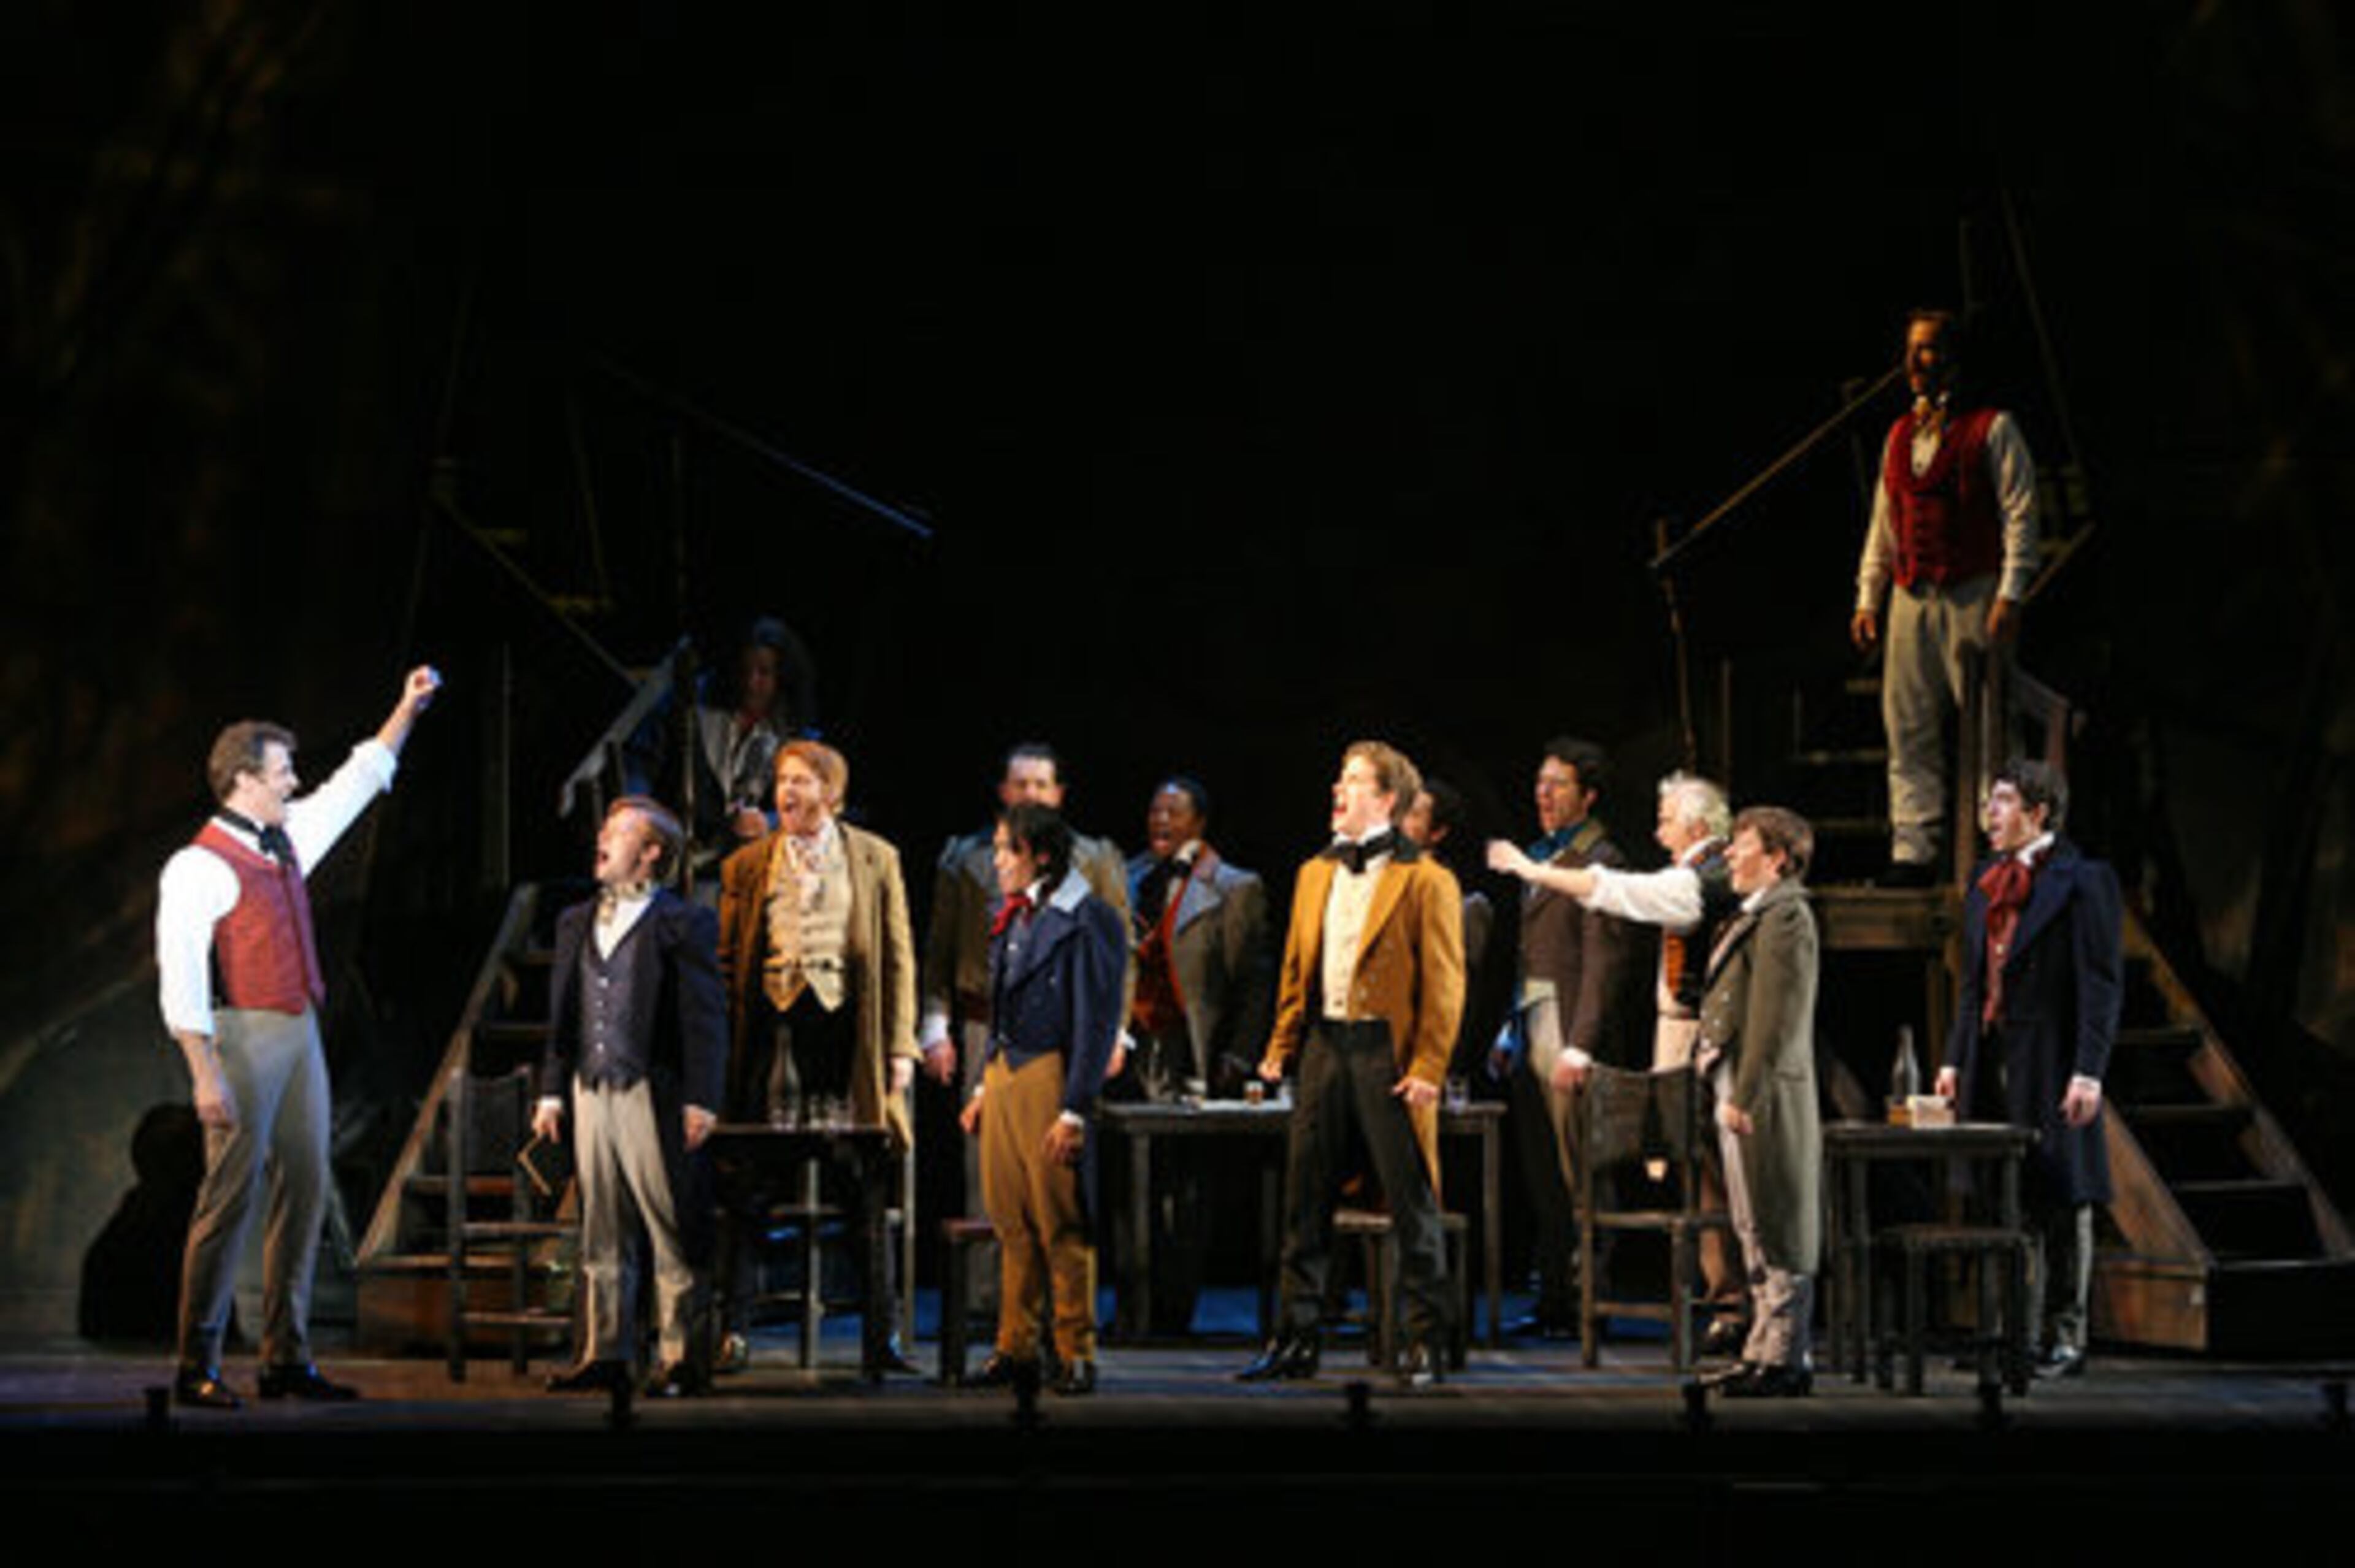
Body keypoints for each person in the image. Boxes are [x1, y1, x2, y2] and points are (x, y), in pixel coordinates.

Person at [155, 665, 440, 1409]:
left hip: (298, 1029)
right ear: (247, 779)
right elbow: (180, 975)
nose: (293, 780)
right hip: (241, 1037)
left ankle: (287, 1356)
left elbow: (358, 779)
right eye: (283, 770)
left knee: (307, 1182)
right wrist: (203, 1071)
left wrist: (405, 708)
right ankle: (198, 1361)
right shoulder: (197, 865)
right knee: (230, 1196)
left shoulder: (285, 841)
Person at [1488, 770, 1748, 1345]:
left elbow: (1611, 939)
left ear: (1699, 824)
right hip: (1661, 1032)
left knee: (1708, 1171)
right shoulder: (1686, 873)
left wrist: (1580, 1041)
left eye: (1667, 816)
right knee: (1694, 1170)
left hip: (1699, 1037)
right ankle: (1714, 1297)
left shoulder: (1705, 876)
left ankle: (1729, 1301)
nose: (1657, 825)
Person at [1239, 741, 1465, 1388]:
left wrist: (1428, 1064)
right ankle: (1296, 1339)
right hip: (1325, 1046)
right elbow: (1295, 968)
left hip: (1387, 1051)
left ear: (1388, 799)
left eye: (1355, 781)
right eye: (1339, 779)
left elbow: (1446, 986)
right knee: (1304, 1199)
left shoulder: (1426, 879)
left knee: (1411, 1201)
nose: (1339, 790)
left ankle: (1423, 1343)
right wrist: (1281, 1047)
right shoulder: (1317, 871)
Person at [712, 740, 921, 1371]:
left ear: (832, 793)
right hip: (772, 1038)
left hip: (843, 1039)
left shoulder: (875, 858)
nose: (788, 791)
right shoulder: (746, 865)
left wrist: (900, 1049)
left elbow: (897, 956)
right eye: (782, 779)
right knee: (748, 1189)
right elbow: (725, 965)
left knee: (861, 1184)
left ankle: (879, 1338)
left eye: (802, 780)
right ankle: (732, 1330)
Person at [918, 743, 1130, 1312]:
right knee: (998, 1189)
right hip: (998, 1041)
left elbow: (1113, 969)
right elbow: (949, 956)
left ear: (1059, 796)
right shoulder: (983, 880)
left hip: (1062, 1046)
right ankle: (1003, 1319)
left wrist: (1109, 1041)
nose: (1031, 795)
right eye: (1020, 785)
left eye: (1042, 785)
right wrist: (952, 1040)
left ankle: (1069, 1335)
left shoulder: (1091, 881)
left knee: (1057, 1191)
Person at [534, 796, 728, 1398]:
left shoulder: (682, 921)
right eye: (606, 828)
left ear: (650, 854)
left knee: (669, 1224)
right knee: (602, 1228)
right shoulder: (575, 921)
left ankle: (678, 1358)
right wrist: (551, 1093)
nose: (604, 838)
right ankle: (606, 1352)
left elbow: (704, 1018)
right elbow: (563, 1016)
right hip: (591, 1087)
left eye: (620, 832)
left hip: (652, 1089)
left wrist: (703, 1097)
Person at [1936, 759, 2121, 1378]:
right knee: (2000, 1196)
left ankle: (2064, 1336)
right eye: (1990, 801)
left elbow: (2101, 984)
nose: (1990, 814)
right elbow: (1971, 982)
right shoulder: (1986, 876)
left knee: (2064, 1197)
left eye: (2003, 802)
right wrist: (1954, 1058)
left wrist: (2089, 1070)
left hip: (2052, 1058)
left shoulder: (2084, 879)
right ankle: (2006, 1331)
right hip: (1992, 1056)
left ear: (2038, 813)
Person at [1850, 308, 2042, 884]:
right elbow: (1883, 524)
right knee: (1906, 721)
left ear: (1953, 356)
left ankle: (2003, 843)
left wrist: (2011, 590)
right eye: (1911, 348)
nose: (1914, 361)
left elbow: (2020, 513)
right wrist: (1868, 597)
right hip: (1913, 593)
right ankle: (1914, 848)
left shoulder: (1993, 427)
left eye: (1928, 349)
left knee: (1986, 721)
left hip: (1972, 589)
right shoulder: (1899, 434)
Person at [957, 802, 1126, 1395]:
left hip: (1051, 1076)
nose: (997, 860)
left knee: (1062, 1220)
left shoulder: (1088, 919)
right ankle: (1015, 1345)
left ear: (1043, 856)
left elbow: (1096, 1023)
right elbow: (1001, 1008)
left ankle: (1075, 1348)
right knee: (1012, 1221)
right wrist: (982, 1084)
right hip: (1007, 1072)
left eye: (1009, 849)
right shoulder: (1012, 915)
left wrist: (1075, 1108)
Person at [1484, 737, 1644, 1339]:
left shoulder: (1601, 859)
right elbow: (1529, 955)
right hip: (1534, 1018)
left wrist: (1580, 1043)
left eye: (1559, 785)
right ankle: (1554, 1293)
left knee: (1583, 1170)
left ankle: (1589, 1299)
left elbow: (1608, 962)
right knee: (1543, 1172)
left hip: (1572, 1024)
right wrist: (1509, 1026)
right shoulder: (1539, 856)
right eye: (1540, 782)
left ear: (1589, 795)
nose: (1544, 794)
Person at [1120, 775, 1273, 1334]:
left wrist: (1238, 1054)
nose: (1161, 820)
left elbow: (1253, 983)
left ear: (1199, 824)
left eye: (1174, 812)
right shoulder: (1128, 876)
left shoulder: (1234, 886)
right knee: (1132, 1178)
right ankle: (1135, 1305)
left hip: (1195, 1046)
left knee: (1184, 1187)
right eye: (1155, 810)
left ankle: (1173, 1308)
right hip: (1136, 1045)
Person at [1695, 806, 1823, 1398]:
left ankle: (1786, 1356)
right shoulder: (1761, 914)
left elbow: (1775, 1018)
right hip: (1740, 1081)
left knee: (1777, 1217)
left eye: (1741, 845)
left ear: (1775, 857)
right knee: (1752, 1220)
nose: (1730, 855)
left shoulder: (1786, 917)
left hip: (1764, 1090)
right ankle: (1761, 1349)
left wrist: (1745, 1093)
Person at [625, 614, 817, 887]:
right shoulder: (689, 707)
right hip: (678, 857)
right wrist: (641, 813)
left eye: (764, 673)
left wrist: (769, 822)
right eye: (745, 670)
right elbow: (639, 762)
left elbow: (816, 803)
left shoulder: (794, 733)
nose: (752, 683)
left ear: (782, 678)